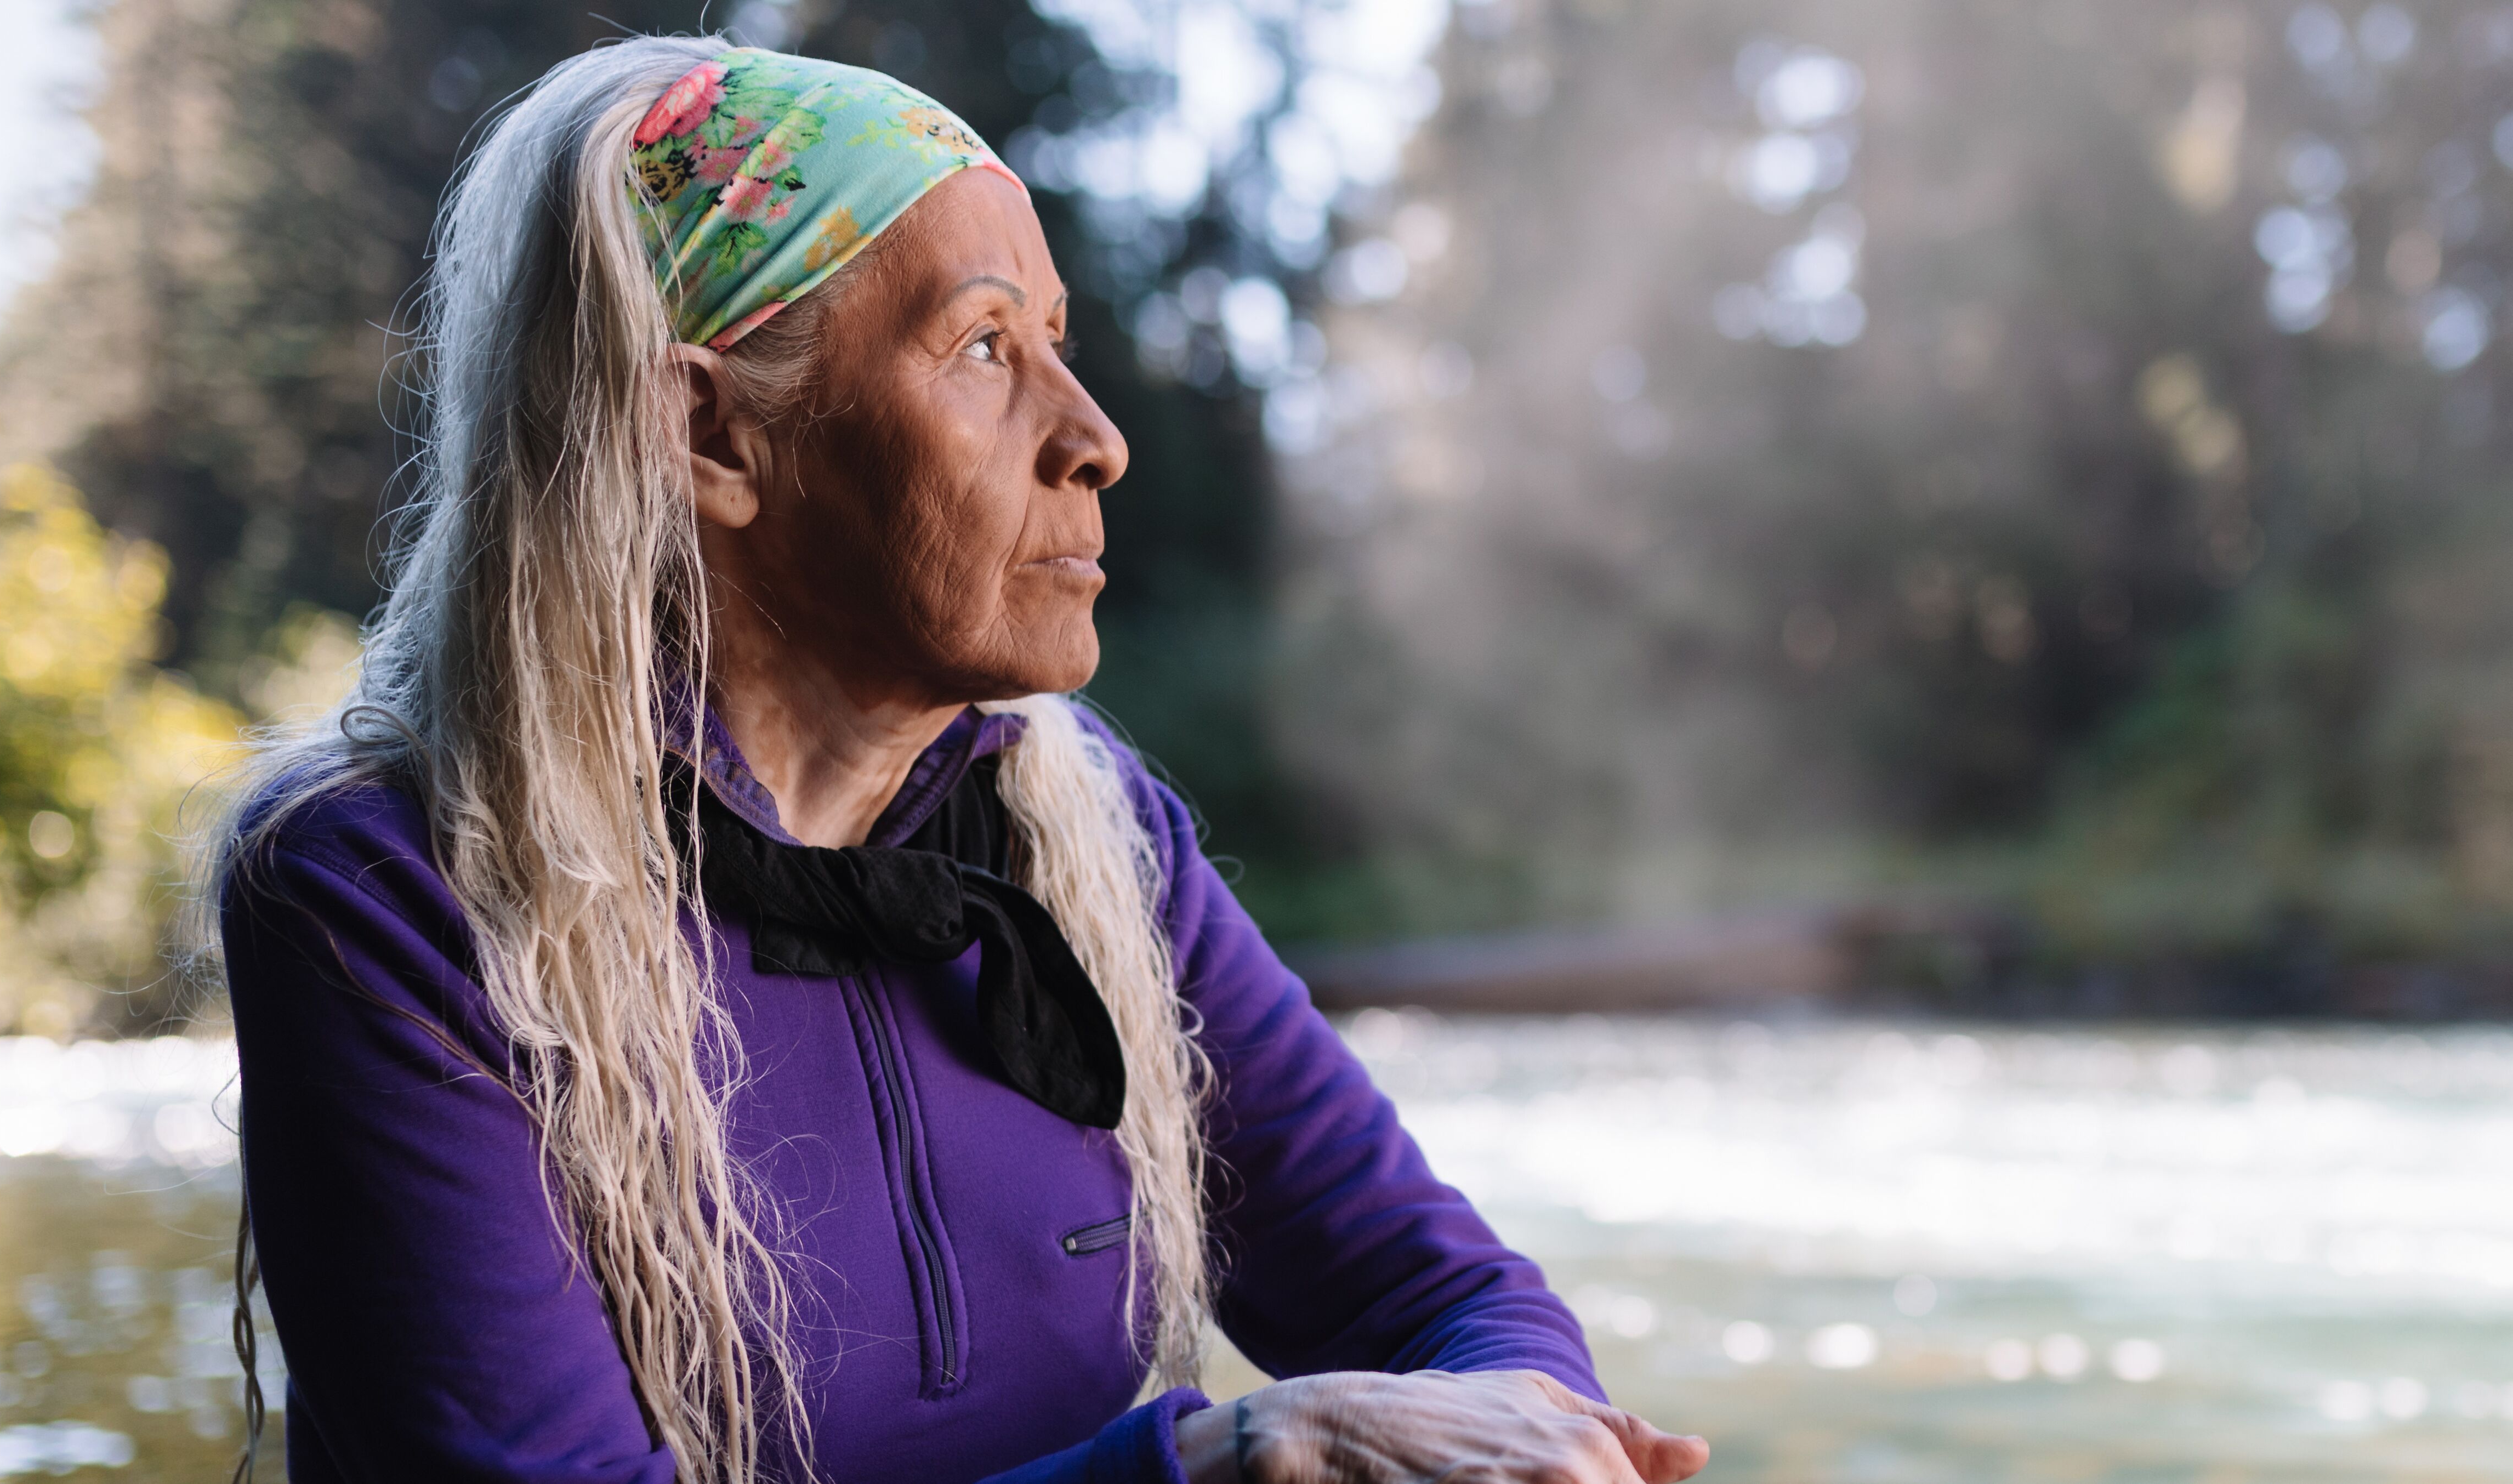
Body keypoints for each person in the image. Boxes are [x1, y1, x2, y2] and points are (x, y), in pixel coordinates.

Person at [213, 36, 1709, 1484]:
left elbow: (1440, 1292)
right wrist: (1217, 1452)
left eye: (1060, 343)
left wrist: (1524, 1429)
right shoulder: (385, 894)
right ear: (711, 434)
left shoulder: (1088, 827)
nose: (1096, 437)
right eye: (986, 346)